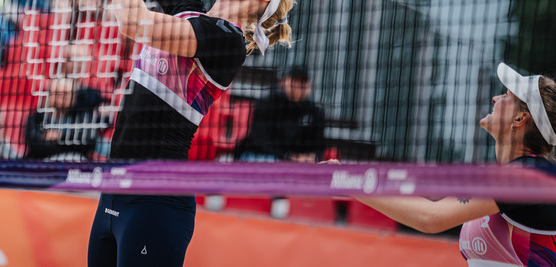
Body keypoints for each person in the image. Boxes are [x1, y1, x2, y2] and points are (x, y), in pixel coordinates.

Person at [87, 0, 298, 267]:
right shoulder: (188, 10)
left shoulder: (227, 41)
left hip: (155, 202)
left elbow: (132, 21)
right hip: (116, 189)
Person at [350, 62, 556, 266]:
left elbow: (431, 218)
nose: (495, 98)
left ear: (519, 118)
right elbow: (431, 209)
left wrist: (353, 183)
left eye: (506, 96)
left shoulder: (530, 174)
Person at [235, 65, 326, 162]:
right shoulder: (267, 103)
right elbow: (259, 141)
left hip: (297, 162)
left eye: (302, 82)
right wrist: (289, 156)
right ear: (284, 82)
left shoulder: (315, 112)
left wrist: (312, 156)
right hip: (262, 155)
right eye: (295, 81)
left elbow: (319, 145)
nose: (298, 86)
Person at [24, 76, 105, 161]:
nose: (61, 97)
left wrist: (61, 136)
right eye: (57, 93)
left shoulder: (82, 117)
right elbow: (37, 147)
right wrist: (70, 144)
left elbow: (89, 143)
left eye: (65, 93)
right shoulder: (37, 118)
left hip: (73, 162)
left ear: (74, 97)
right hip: (43, 163)